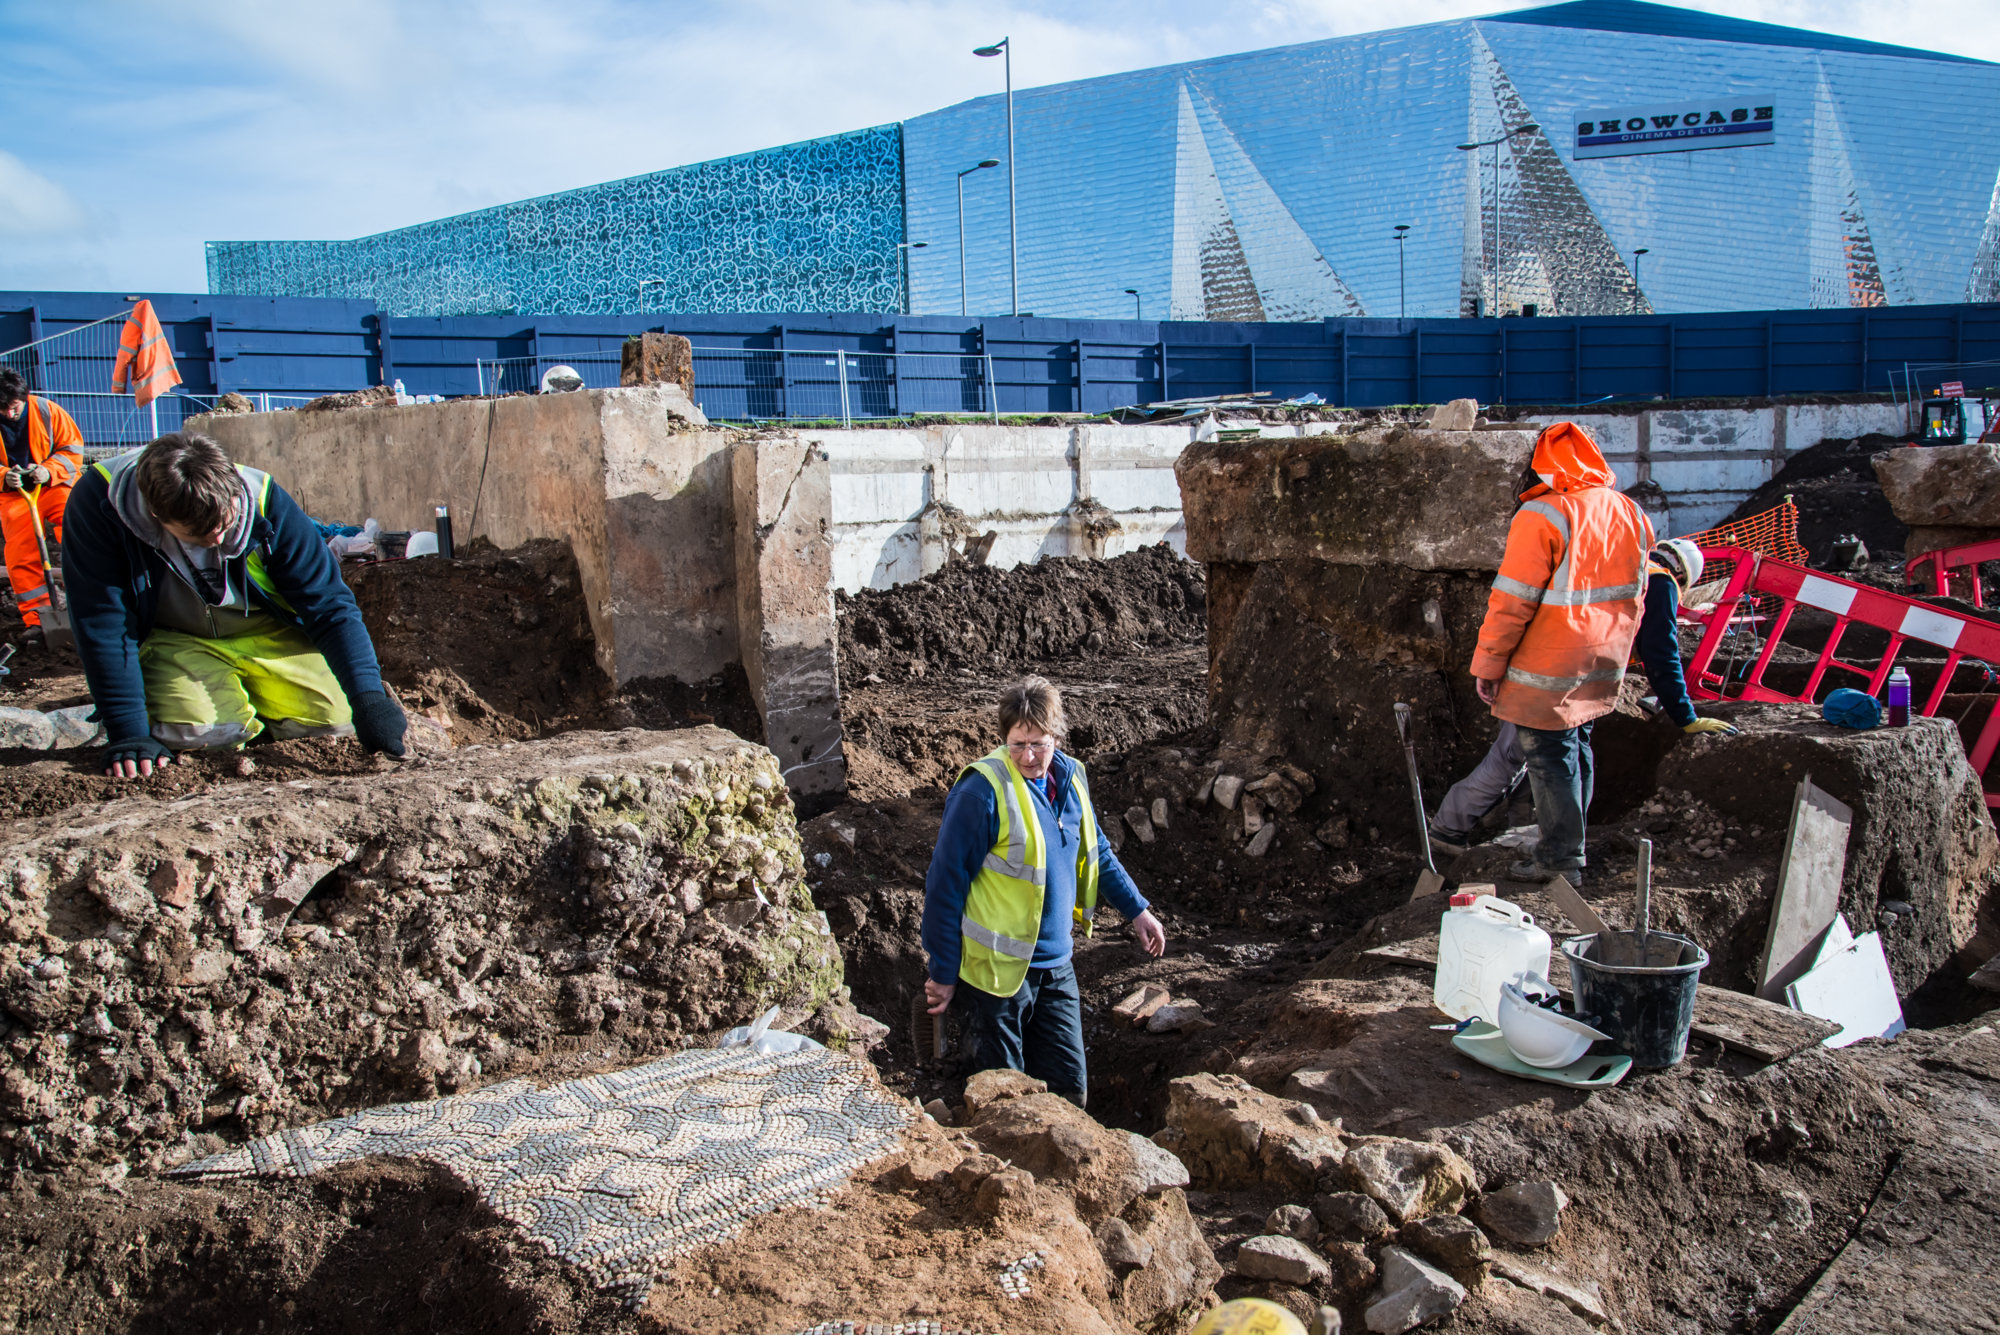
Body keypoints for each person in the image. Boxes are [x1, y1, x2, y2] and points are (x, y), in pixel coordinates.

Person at [61, 431, 408, 778]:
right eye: (198, 536)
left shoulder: (263, 500)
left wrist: (369, 700)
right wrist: (129, 733)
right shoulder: (98, 506)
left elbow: (330, 607)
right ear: (154, 513)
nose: (216, 541)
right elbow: (103, 623)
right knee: (197, 733)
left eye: (224, 526)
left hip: (265, 630)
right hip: (176, 637)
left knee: (335, 721)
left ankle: (261, 710)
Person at [922, 676, 1165, 1106]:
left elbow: (1096, 852)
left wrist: (1138, 910)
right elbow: (945, 882)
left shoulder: (1071, 781)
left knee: (1069, 1095)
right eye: (1018, 744)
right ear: (1004, 738)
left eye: (1039, 743)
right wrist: (943, 971)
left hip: (1056, 968)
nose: (1029, 756)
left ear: (1057, 737)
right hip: (994, 978)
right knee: (1003, 1105)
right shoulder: (982, 791)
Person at [1429, 537, 1737, 859]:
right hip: (1564, 680)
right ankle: (1456, 830)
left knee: (1555, 754)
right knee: (1526, 755)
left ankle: (1536, 831)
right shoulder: (1660, 583)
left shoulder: (1616, 564)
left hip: (1544, 665)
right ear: (1684, 576)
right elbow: (1662, 655)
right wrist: (1685, 716)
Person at [1467, 421, 1655, 888]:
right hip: (1603, 656)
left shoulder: (1543, 515)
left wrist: (1488, 664)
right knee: (1577, 747)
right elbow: (1638, 588)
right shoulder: (1627, 510)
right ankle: (1571, 842)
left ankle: (1560, 857)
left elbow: (1512, 601)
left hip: (1549, 662)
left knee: (1549, 758)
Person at [0, 369, 84, 648]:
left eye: (14, 408)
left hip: (55, 485)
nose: (9, 415)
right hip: (15, 495)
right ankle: (37, 618)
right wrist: (4, 477)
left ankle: (92, 599)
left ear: (23, 397)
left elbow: (73, 450)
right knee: (19, 552)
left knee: (80, 532)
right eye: (3, 410)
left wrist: (47, 471)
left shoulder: (48, 411)